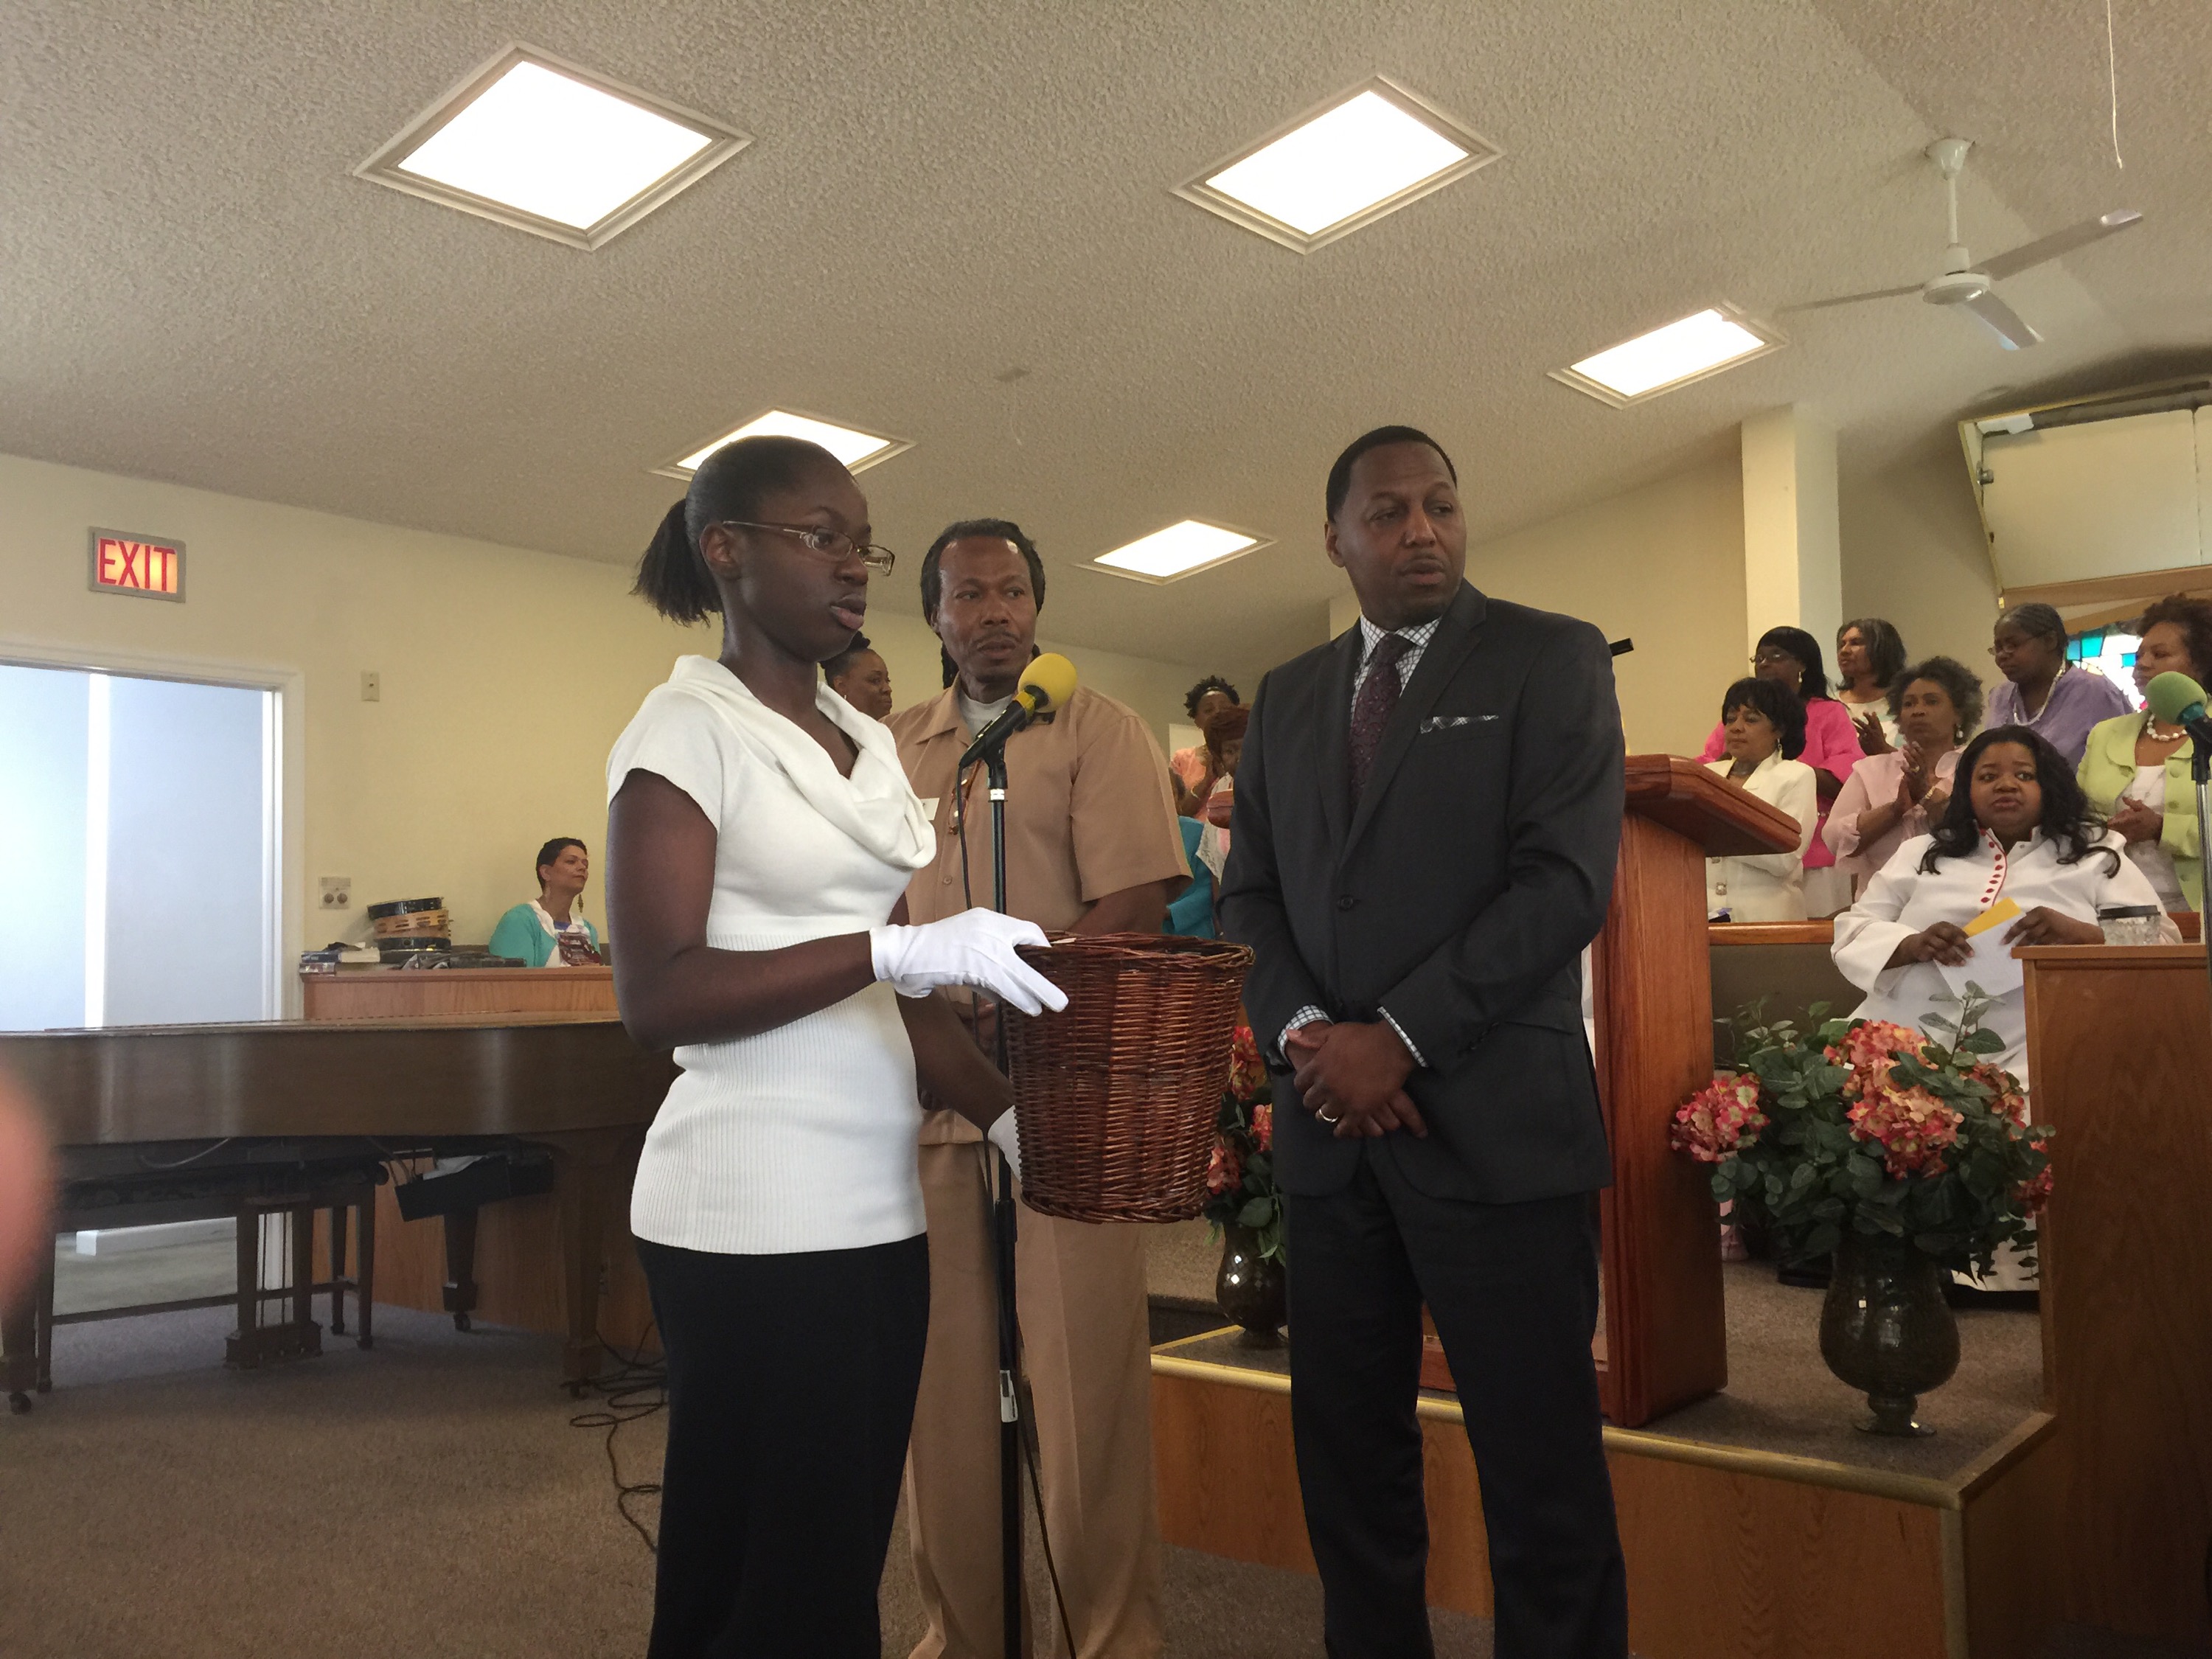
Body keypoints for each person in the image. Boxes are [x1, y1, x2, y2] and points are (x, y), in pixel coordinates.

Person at [602, 437, 1066, 1659]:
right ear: (727, 551)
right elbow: (658, 992)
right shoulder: (684, 731)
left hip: (874, 1213)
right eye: (822, 538)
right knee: (760, 1587)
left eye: (864, 542)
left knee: (830, 1563)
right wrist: (886, 948)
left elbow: (901, 995)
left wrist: (1010, 1120)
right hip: (747, 1214)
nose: (855, 565)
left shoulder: (859, 741)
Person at [1220, 425, 1629, 1658]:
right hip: (1331, 1136)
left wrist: (1395, 1039)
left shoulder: (1550, 656)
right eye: (1388, 512)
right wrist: (1312, 1039)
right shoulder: (1288, 695)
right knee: (1350, 1466)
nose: (1422, 531)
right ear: (1335, 540)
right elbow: (1250, 897)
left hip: (1494, 1125)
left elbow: (1563, 883)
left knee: (1540, 1470)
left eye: (1441, 505)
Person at [886, 517, 1190, 1659]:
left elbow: (1133, 905)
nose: (994, 613)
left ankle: (1108, 1638)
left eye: (1012, 592)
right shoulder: (891, 747)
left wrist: (1014, 984)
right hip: (925, 1094)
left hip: (1065, 1107)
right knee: (941, 1393)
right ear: (935, 615)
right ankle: (961, 1633)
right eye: (969, 594)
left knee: (1082, 1389)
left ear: (1038, 607)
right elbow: (866, 910)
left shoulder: (1099, 729)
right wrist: (932, 990)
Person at [1832, 726, 2170, 1084]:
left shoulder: (2096, 853)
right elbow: (1853, 931)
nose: (2006, 785)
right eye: (1988, 776)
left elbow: (2162, 944)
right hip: (1909, 1035)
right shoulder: (1921, 853)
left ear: (2049, 786)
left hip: (2042, 1042)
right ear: (1967, 790)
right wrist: (1912, 944)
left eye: (2024, 775)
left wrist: (2079, 935)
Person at [1698, 626, 1863, 917]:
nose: (1736, 727)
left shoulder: (1800, 767)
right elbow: (1706, 763)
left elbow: (1844, 779)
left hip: (1810, 860)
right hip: (1713, 906)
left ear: (1802, 664)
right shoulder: (1715, 771)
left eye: (1776, 656)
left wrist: (1716, 827)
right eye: (1759, 658)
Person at [2077, 594, 2212, 913]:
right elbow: (2075, 814)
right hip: (2113, 905)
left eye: (2160, 654)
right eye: (2140, 655)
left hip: (2199, 910)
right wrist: (2101, 830)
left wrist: (2162, 828)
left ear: (2201, 664)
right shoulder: (2106, 733)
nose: (2143, 663)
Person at [1826, 656, 1984, 895]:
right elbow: (1834, 840)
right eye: (1909, 704)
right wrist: (1895, 810)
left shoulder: (1978, 768)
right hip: (1880, 904)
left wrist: (1928, 795)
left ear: (1960, 714)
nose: (1918, 711)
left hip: (1958, 900)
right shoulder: (1871, 770)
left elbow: (1982, 838)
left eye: (1932, 702)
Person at [1703, 677, 1818, 922]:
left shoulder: (1796, 775)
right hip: (1704, 917)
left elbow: (1785, 858)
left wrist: (1714, 832)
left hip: (1770, 919)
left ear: (1780, 729)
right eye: (1731, 719)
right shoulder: (1707, 775)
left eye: (1751, 719)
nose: (1736, 727)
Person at [1985, 602, 2129, 768]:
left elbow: (2121, 764)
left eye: (2013, 645)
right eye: (1998, 649)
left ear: (2050, 641)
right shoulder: (2000, 696)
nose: (2001, 656)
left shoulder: (2096, 692)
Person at [487, 838, 603, 965]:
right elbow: (515, 977)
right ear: (546, 872)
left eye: (585, 864)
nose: (582, 868)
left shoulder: (587, 928)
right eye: (571, 861)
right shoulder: (519, 921)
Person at [1834, 618, 1908, 753]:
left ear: (1882, 649)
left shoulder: (1906, 704)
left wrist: (1883, 749)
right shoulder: (1829, 703)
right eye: (1842, 644)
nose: (1844, 651)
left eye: (1856, 643)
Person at [1193, 703, 1247, 886]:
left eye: (1247, 748)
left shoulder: (1277, 788)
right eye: (1230, 751)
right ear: (1220, 757)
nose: (1239, 758)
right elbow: (1214, 865)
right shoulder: (1221, 789)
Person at [1170, 676, 1240, 815]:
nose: (1218, 713)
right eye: (1208, 710)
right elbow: (1176, 813)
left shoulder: (1250, 754)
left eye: (1225, 708)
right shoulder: (1182, 759)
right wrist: (1207, 780)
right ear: (1196, 720)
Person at [824, 630, 895, 720]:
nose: (888, 689)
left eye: (887, 680)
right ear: (841, 686)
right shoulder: (818, 728)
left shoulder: (898, 727)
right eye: (875, 680)